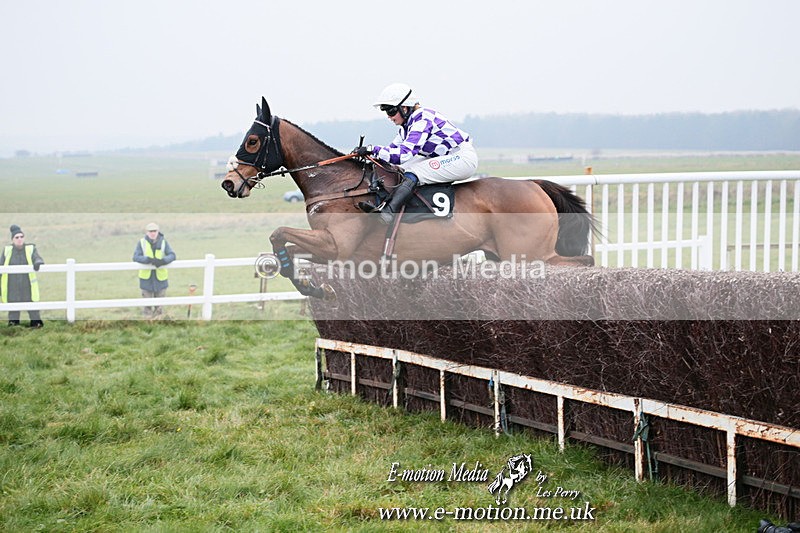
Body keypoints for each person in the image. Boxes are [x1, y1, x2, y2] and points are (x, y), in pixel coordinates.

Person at [352, 82, 479, 224]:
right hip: (446, 156)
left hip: (461, 158)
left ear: (404, 108)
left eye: (391, 111)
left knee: (412, 172)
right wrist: (368, 155)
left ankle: (389, 213)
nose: (389, 117)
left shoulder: (423, 119)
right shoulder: (406, 127)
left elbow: (403, 155)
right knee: (398, 170)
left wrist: (372, 149)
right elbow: (392, 155)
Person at [1, 225, 45, 327]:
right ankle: (13, 327)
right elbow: (1, 264)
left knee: (32, 306)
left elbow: (37, 257)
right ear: (12, 239)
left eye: (21, 237)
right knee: (13, 308)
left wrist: (38, 262)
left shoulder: (30, 248)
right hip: (12, 285)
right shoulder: (7, 250)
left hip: (27, 284)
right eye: (17, 237)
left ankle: (36, 325)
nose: (20, 239)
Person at [133, 222, 176, 318]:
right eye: (150, 231)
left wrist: (163, 261)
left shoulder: (164, 242)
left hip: (160, 278)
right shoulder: (142, 243)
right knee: (147, 305)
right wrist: (147, 260)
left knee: (159, 305)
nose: (153, 233)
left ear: (158, 232)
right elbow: (136, 257)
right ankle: (148, 323)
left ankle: (158, 322)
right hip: (146, 279)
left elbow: (172, 255)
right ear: (147, 232)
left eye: (154, 231)